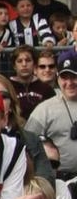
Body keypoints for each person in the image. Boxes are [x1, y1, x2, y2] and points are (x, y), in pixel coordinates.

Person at [26, 51, 77, 180]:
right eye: (65, 78)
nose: (70, 83)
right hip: (59, 180)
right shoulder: (44, 109)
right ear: (58, 78)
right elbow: (27, 142)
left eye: (74, 77)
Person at [9, 45, 55, 120]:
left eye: (28, 60)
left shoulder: (46, 89)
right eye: (19, 61)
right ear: (14, 66)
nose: (24, 64)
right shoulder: (7, 86)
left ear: (34, 64)